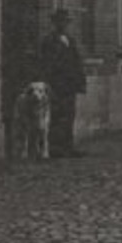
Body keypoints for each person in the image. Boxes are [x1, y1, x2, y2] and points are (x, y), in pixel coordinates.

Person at [39, 9, 87, 157]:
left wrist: (80, 82)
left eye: (66, 22)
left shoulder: (69, 39)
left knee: (69, 114)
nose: (63, 25)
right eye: (60, 22)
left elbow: (76, 62)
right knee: (56, 115)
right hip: (57, 84)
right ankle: (55, 148)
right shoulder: (48, 41)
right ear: (55, 23)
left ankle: (68, 146)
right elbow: (47, 64)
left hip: (69, 84)